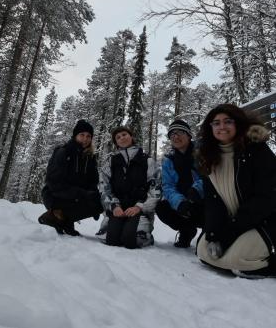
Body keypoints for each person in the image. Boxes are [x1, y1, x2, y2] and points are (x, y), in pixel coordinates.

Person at [196, 104, 276, 278]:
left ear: (238, 124)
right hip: (233, 220)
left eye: (228, 121)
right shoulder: (209, 156)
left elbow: (265, 199)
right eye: (216, 123)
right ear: (210, 128)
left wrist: (226, 235)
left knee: (239, 260)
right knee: (203, 251)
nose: (222, 127)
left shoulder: (256, 150)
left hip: (264, 219)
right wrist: (212, 233)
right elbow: (213, 200)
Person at [100, 126, 161, 249]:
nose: (122, 138)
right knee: (110, 239)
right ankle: (113, 224)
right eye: (118, 137)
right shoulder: (111, 161)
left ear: (131, 136)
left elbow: (156, 188)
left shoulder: (147, 160)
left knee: (132, 240)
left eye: (124, 134)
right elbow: (103, 186)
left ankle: (144, 231)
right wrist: (113, 206)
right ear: (116, 142)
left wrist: (140, 206)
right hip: (118, 208)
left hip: (139, 208)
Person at [38, 119, 102, 236]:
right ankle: (54, 216)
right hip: (55, 195)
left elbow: (94, 181)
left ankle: (65, 221)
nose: (85, 139)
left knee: (100, 201)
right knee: (88, 199)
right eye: (82, 135)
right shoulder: (63, 152)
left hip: (76, 196)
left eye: (88, 136)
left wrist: (94, 199)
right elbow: (54, 183)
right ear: (75, 136)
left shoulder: (90, 158)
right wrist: (81, 193)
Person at [156, 120, 204, 248]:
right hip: (184, 203)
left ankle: (209, 232)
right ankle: (187, 230)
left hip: (203, 199)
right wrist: (179, 202)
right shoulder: (168, 159)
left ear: (189, 135)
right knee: (162, 207)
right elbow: (168, 186)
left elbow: (210, 176)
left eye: (180, 132)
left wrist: (196, 191)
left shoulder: (201, 152)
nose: (175, 137)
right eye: (172, 134)